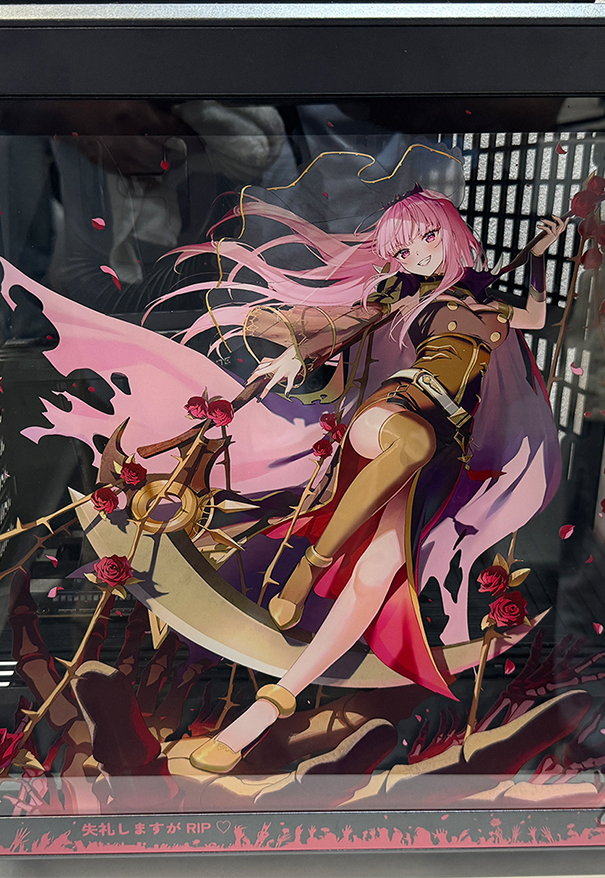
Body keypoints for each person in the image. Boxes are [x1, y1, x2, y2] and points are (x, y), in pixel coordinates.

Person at [171, 187, 565, 772]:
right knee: (413, 441)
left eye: (428, 237)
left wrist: (538, 257)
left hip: (439, 451)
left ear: (452, 232)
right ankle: (309, 570)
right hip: (390, 415)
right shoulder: (399, 297)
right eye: (403, 249)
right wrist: (296, 347)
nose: (419, 254)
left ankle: (256, 718)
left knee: (375, 577)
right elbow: (347, 323)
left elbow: (537, 315)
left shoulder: (485, 305)